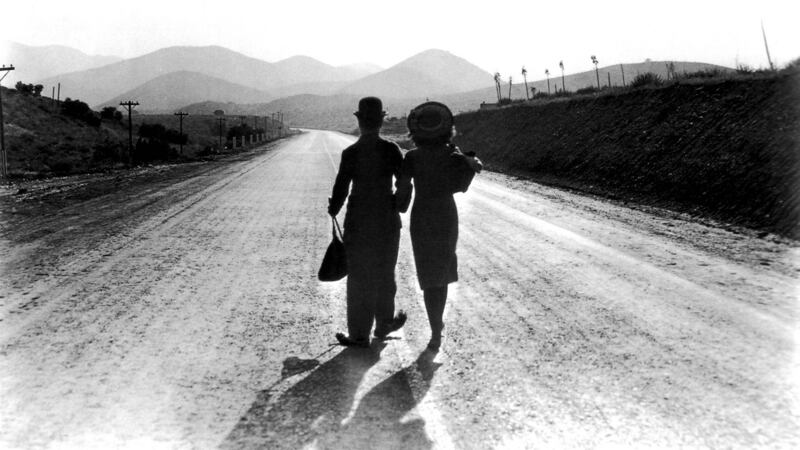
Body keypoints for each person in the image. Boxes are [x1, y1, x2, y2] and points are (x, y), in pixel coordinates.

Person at [396, 101, 482, 352]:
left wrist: (395, 204)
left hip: (422, 216)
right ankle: (436, 329)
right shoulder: (453, 155)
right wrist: (464, 159)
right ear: (446, 128)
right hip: (445, 215)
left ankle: (435, 327)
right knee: (441, 272)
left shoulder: (412, 157)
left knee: (428, 274)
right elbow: (465, 181)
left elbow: (402, 195)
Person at [328, 97, 407, 347]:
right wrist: (398, 204)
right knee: (385, 272)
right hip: (387, 220)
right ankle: (383, 324)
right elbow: (404, 182)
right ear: (381, 122)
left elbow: (341, 187)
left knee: (359, 276)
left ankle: (359, 334)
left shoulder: (351, 153)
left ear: (360, 122)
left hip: (358, 221)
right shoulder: (391, 149)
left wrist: (334, 208)